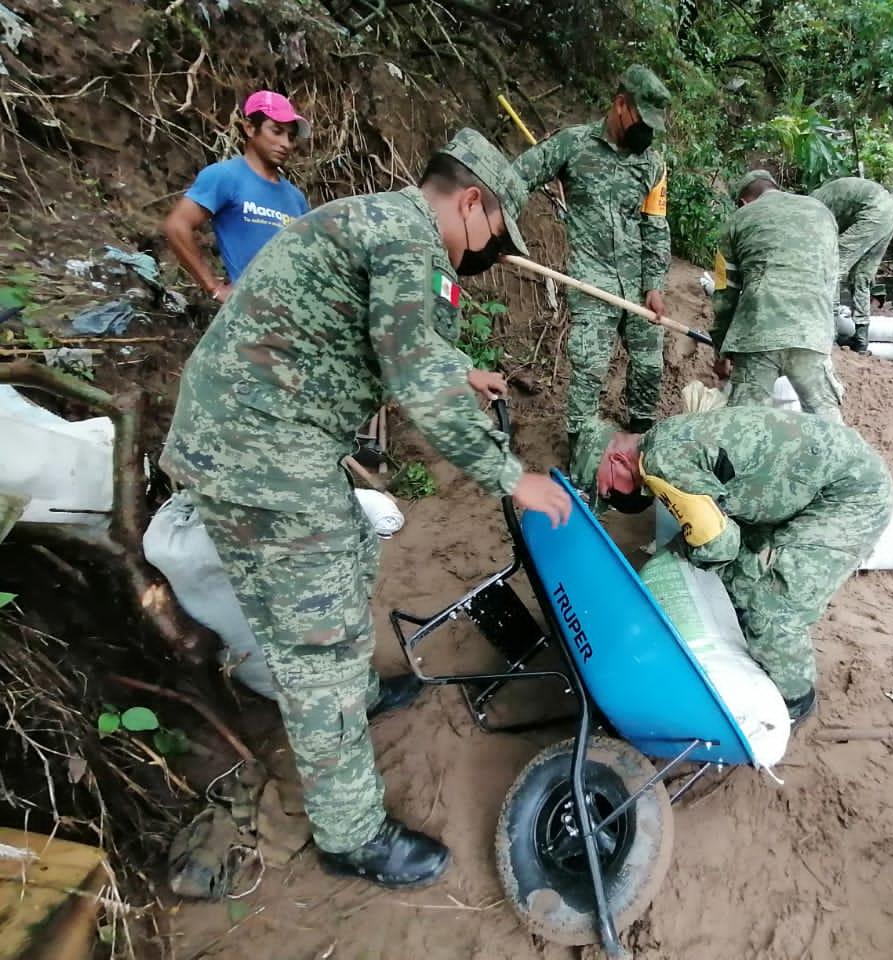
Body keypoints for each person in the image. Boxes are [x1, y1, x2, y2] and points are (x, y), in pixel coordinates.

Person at [159, 129, 572, 889]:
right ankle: (350, 833)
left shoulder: (387, 223)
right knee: (315, 642)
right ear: (472, 202)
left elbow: (399, 340)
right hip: (260, 449)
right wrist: (510, 477)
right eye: (494, 236)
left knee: (351, 543)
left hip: (265, 436)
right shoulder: (408, 240)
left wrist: (463, 368)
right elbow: (415, 384)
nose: (488, 254)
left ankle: (359, 691)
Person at [570, 408, 893, 721]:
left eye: (607, 488)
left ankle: (793, 701)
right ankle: (754, 654)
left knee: (772, 608)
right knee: (738, 580)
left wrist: (695, 555)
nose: (612, 497)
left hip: (849, 495)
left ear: (617, 460)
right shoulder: (660, 439)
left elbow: (718, 545)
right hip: (804, 484)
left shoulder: (660, 462)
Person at [513, 64, 672, 447]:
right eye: (643, 119)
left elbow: (655, 225)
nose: (647, 131)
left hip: (636, 282)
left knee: (650, 365)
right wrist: (501, 232)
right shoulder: (574, 144)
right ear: (621, 105)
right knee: (590, 367)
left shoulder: (652, 163)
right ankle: (581, 446)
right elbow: (518, 177)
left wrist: (654, 284)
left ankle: (641, 439)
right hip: (590, 278)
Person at [713, 169, 842, 422]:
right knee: (829, 423)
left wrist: (722, 351)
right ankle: (845, 460)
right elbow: (832, 281)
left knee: (744, 425)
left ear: (743, 201)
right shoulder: (821, 213)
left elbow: (724, 293)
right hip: (812, 332)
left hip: (758, 333)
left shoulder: (739, 219)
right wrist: (825, 336)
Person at [163, 91, 311, 302]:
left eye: (290, 137)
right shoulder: (225, 176)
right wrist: (213, 287)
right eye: (276, 131)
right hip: (251, 314)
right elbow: (176, 226)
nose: (286, 144)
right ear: (250, 128)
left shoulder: (295, 197)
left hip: (296, 315)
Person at [811, 176, 893, 353]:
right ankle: (861, 339)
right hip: (890, 212)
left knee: (832, 266)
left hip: (873, 211)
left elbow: (822, 250)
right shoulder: (822, 199)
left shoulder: (812, 208)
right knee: (861, 276)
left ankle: (831, 334)